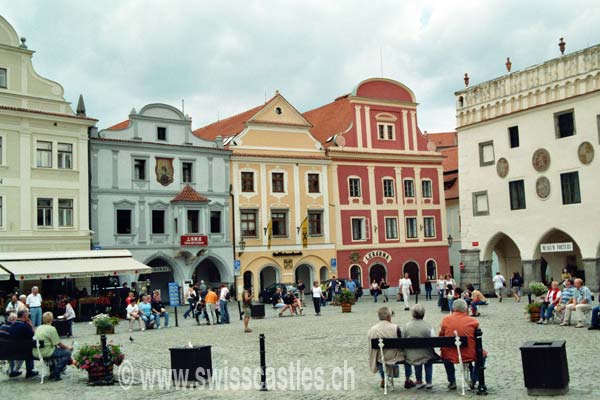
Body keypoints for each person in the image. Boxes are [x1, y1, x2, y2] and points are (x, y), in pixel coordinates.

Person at [439, 299, 486, 390]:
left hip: (450, 354)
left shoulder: (445, 320)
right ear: (465, 309)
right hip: (469, 353)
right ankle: (474, 379)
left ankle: (452, 381)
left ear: (453, 308)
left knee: (445, 353)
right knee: (483, 354)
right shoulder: (473, 321)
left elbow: (441, 337)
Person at [368, 306, 414, 389]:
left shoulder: (373, 329)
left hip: (380, 357)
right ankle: (408, 379)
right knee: (408, 356)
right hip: (394, 356)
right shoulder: (395, 327)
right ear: (389, 316)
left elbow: (371, 347)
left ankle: (383, 379)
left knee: (380, 358)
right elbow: (402, 343)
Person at [403, 304, 435, 389]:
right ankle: (429, 381)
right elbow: (434, 340)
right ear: (423, 314)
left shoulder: (407, 326)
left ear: (412, 314)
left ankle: (419, 380)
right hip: (427, 354)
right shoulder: (428, 326)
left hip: (412, 355)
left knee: (417, 358)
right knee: (428, 360)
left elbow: (403, 340)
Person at [33, 312, 73, 381]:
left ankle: (54, 370)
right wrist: (68, 347)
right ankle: (56, 372)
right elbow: (58, 343)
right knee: (67, 353)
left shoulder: (39, 327)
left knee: (58, 350)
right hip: (46, 352)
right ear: (51, 319)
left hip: (36, 352)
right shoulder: (51, 329)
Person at [7, 309, 39, 379]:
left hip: (13, 350)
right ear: (24, 316)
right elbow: (34, 336)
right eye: (28, 314)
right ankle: (29, 371)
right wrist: (31, 325)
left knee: (26, 347)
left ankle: (14, 370)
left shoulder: (12, 326)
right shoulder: (25, 326)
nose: (29, 315)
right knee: (29, 348)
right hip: (23, 351)